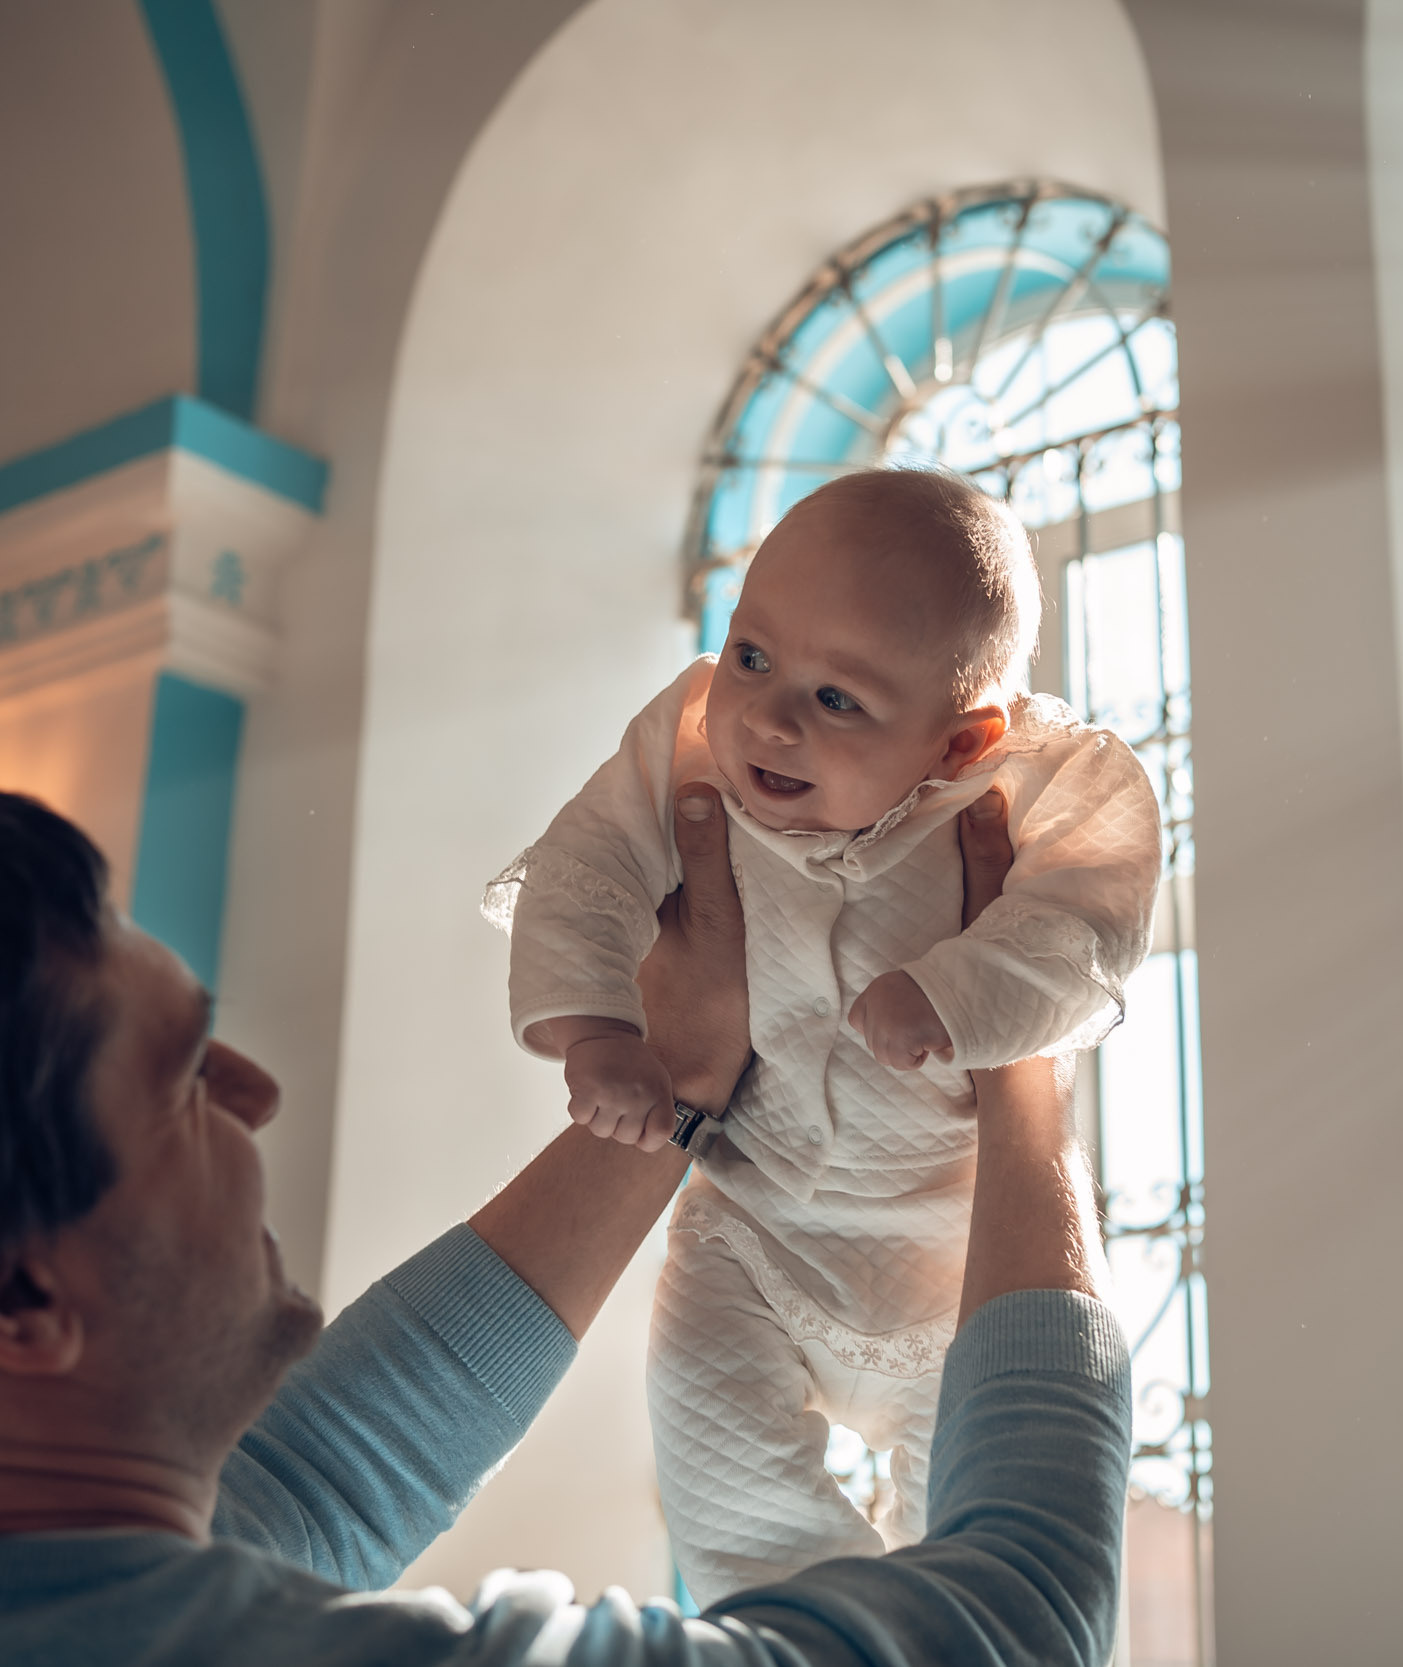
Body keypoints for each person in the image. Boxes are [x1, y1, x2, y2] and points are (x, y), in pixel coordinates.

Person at [0, 772, 1128, 1665]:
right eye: (178, 1079)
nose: (252, 1094)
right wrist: (1024, 1054)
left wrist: (686, 1090)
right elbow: (1023, 1606)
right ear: (10, 1292)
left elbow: (312, 1474)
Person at [483, 466, 1161, 1598]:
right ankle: (803, 1626)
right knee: (721, 1484)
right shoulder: (692, 741)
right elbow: (587, 864)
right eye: (752, 654)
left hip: (951, 1252)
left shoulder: (1034, 784)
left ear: (959, 742)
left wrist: (962, 987)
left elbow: (1088, 923)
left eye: (837, 699)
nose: (769, 714)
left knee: (969, 1526)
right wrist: (600, 1024)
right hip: (750, 1232)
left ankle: (920, 1617)